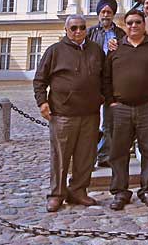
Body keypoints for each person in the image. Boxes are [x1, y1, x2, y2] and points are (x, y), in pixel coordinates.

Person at [33, 14, 104, 212]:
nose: (78, 31)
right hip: (63, 114)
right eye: (74, 28)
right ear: (66, 30)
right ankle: (57, 194)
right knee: (60, 157)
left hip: (90, 114)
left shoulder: (95, 50)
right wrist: (42, 102)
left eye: (82, 27)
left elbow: (105, 76)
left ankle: (78, 191)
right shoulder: (55, 51)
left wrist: (103, 97)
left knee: (86, 156)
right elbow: (40, 80)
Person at [103, 9, 148, 210]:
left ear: (144, 24)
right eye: (130, 23)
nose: (134, 26)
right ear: (125, 26)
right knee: (118, 152)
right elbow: (106, 78)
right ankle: (120, 191)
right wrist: (111, 101)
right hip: (121, 108)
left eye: (138, 22)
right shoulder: (116, 49)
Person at [87, 0, 125, 168]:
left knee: (109, 122)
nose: (106, 15)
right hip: (94, 82)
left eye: (109, 12)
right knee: (92, 123)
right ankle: (90, 157)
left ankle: (105, 156)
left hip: (113, 82)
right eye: (103, 12)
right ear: (98, 14)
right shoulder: (90, 33)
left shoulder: (120, 33)